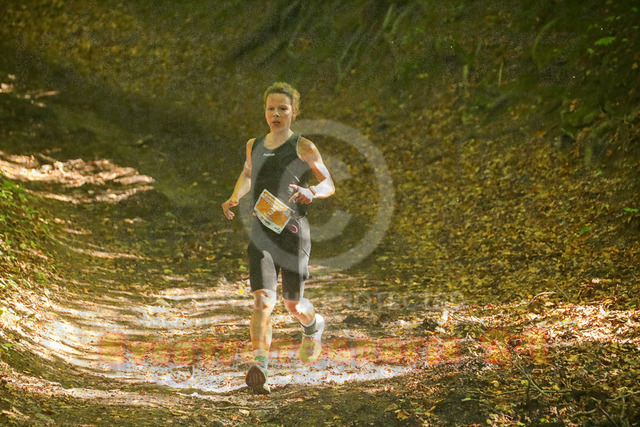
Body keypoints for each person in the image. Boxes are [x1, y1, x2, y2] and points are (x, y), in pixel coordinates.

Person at [222, 82, 335, 394]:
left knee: (293, 305)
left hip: (294, 233)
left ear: (293, 112)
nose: (276, 114)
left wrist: (312, 192)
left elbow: (328, 183)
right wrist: (234, 196)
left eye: (282, 109)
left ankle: (313, 325)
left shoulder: (303, 146)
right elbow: (247, 175)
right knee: (262, 301)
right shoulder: (254, 144)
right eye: (270, 108)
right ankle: (260, 365)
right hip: (262, 232)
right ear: (264, 111)